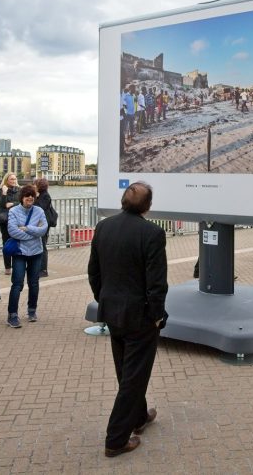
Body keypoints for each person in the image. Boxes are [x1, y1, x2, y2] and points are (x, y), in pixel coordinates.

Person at [88, 182, 168, 457]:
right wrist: (156, 316)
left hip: (112, 312)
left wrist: (104, 299)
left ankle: (138, 417)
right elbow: (157, 283)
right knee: (133, 376)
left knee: (126, 370)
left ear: (123, 201)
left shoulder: (104, 227)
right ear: (147, 206)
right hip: (140, 317)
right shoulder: (153, 233)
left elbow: (93, 272)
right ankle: (116, 439)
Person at [6, 184, 48, 327]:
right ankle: (12, 314)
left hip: (36, 252)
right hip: (19, 252)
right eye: (27, 195)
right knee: (17, 283)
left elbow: (43, 229)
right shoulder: (13, 211)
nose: (30, 197)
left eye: (32, 195)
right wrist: (33, 234)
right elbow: (12, 231)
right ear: (22, 197)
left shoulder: (39, 211)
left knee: (34, 283)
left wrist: (27, 228)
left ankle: (32, 310)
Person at [0, 173, 21, 275]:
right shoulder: (0, 189)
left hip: (17, 219)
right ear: (6, 180)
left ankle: (17, 265)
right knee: (6, 243)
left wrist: (12, 204)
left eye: (14, 179)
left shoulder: (19, 189)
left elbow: (22, 202)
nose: (13, 181)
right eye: (11, 179)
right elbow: (2, 204)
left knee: (17, 242)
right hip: (5, 220)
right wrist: (4, 193)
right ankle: (7, 267)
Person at [33, 177, 56, 277]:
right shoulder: (40, 195)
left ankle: (43, 270)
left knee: (42, 245)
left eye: (35, 184)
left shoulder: (45, 196)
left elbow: (39, 208)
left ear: (39, 186)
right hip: (39, 223)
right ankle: (36, 267)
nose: (33, 186)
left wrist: (36, 197)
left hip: (44, 224)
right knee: (38, 245)